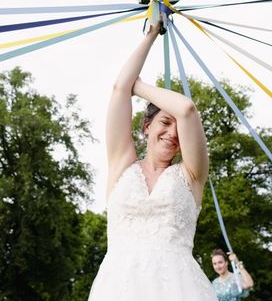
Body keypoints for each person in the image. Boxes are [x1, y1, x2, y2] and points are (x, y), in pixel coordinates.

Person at [88, 23, 216, 300]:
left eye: (178, 129)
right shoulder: (122, 163)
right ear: (147, 126)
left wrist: (141, 87)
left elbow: (187, 109)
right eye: (164, 123)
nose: (172, 133)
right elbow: (120, 88)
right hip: (118, 288)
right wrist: (151, 34)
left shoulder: (191, 175)